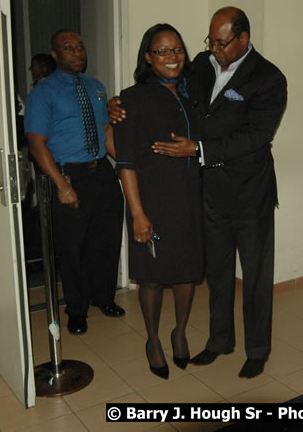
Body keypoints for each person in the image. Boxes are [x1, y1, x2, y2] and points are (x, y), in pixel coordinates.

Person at [118, 7, 287, 379]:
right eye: (210, 40)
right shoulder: (202, 65)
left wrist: (199, 150)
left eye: (222, 42)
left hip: (249, 193)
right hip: (205, 193)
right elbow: (161, 89)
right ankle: (219, 341)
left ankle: (257, 349)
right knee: (218, 272)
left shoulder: (269, 78)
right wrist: (115, 106)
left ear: (243, 38)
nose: (214, 48)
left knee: (256, 276)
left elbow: (256, 137)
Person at [113, 24, 203, 380]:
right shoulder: (130, 99)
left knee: (187, 275)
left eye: (177, 49)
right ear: (148, 58)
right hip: (149, 200)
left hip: (191, 199)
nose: (172, 57)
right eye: (162, 51)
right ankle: (153, 340)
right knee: (151, 277)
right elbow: (125, 162)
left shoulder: (194, 93)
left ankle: (179, 332)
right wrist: (137, 213)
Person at [25, 29, 125, 335]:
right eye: (68, 48)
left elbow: (105, 130)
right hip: (68, 174)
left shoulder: (96, 88)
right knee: (72, 247)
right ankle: (77, 309)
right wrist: (62, 186)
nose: (77, 52)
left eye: (80, 46)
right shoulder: (43, 93)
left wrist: (123, 167)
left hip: (102, 173)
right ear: (55, 55)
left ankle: (103, 298)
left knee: (106, 239)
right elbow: (36, 143)